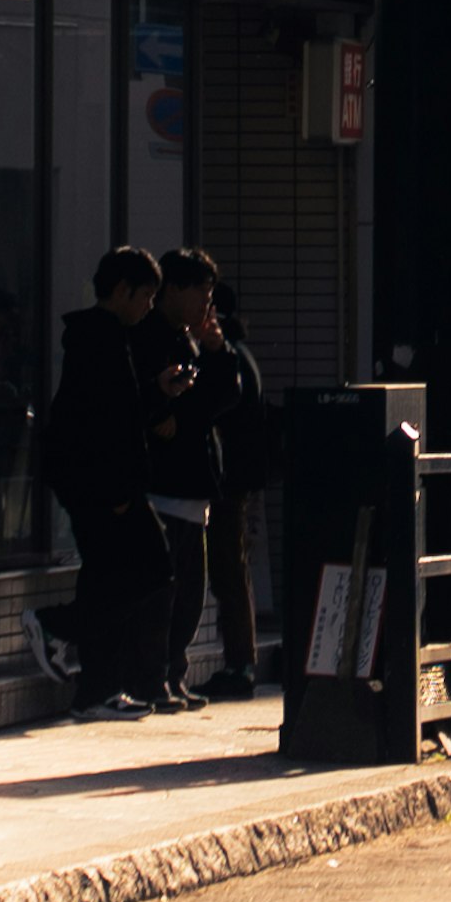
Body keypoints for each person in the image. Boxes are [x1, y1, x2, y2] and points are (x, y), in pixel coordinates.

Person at [32, 247, 176, 719]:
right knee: (152, 566)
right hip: (103, 486)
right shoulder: (100, 339)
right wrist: (117, 491)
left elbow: (119, 411)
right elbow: (102, 423)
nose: (149, 306)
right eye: (146, 296)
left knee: (106, 580)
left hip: (94, 482)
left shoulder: (101, 337)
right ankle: (55, 625)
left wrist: (158, 393)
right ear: (121, 291)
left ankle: (96, 689)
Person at [139, 248, 230, 708]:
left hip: (193, 488)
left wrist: (217, 350)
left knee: (191, 596)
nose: (206, 304)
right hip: (164, 488)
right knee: (166, 594)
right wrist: (164, 413)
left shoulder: (189, 339)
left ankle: (174, 673)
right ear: (171, 290)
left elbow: (221, 400)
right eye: (201, 292)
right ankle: (155, 678)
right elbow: (173, 407)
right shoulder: (152, 338)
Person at [199, 276, 276, 699]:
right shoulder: (243, 357)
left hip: (226, 483)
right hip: (238, 480)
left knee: (228, 570)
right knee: (233, 570)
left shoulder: (229, 360)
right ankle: (240, 662)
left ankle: (240, 665)